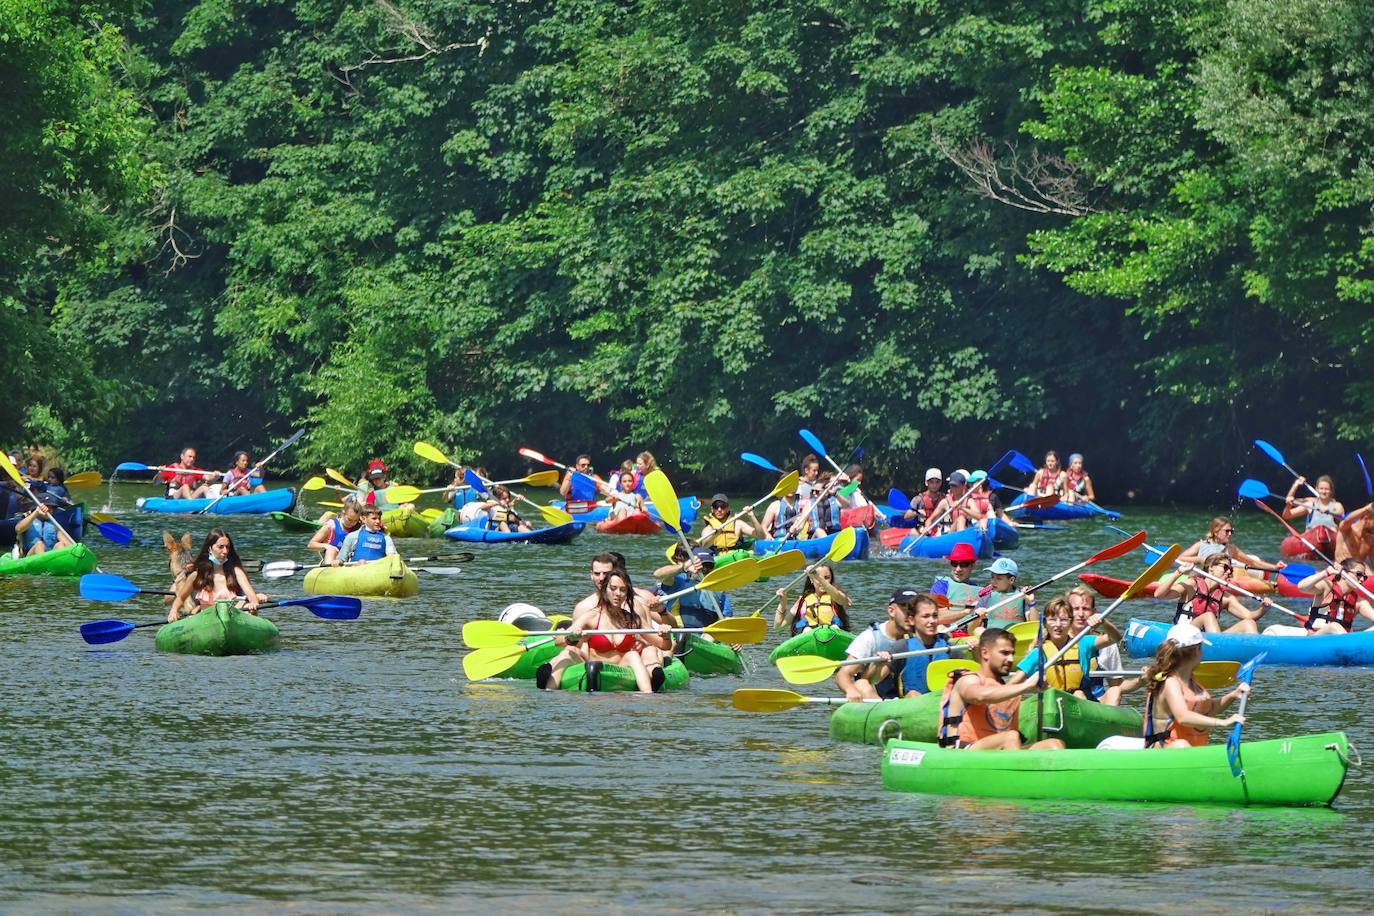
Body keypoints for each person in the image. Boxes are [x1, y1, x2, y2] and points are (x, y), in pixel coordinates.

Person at [538, 569, 673, 692]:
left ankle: (647, 696)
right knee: (566, 654)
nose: (617, 594)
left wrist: (665, 634)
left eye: (623, 590)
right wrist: (572, 638)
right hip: (593, 666)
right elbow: (560, 642)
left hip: (621, 667)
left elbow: (663, 645)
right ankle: (549, 694)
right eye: (613, 588)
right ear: (605, 589)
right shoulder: (591, 616)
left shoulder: (633, 619)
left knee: (633, 656)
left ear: (627, 593)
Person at [936, 628, 1065, 750]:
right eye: (1004, 653)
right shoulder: (968, 680)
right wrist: (1026, 686)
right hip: (963, 751)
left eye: (1012, 654)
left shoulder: (1005, 689)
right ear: (985, 653)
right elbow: (979, 696)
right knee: (1010, 737)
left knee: (1054, 744)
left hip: (997, 753)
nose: (1011, 659)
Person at [1142, 622, 1248, 748]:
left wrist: (1233, 695)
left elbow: (1209, 709)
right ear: (1196, 651)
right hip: (1165, 750)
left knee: (1185, 746)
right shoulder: (1170, 682)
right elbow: (1183, 717)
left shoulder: (1191, 679)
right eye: (1201, 648)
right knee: (1182, 745)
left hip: (1192, 751)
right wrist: (1222, 722)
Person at [1014, 596, 1121, 702]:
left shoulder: (1084, 643)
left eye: (1064, 620)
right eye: (1052, 620)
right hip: (1052, 702)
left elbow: (1115, 638)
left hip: (1083, 702)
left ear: (1070, 623)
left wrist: (1104, 622)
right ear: (1045, 624)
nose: (1058, 625)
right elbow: (1013, 684)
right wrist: (1028, 687)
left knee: (1106, 691)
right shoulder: (1038, 653)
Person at [1153, 553, 1272, 633]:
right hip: (1184, 636)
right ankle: (1219, 649)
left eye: (1230, 570)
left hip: (1208, 639)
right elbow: (1159, 594)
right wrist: (1179, 571)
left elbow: (1249, 616)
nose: (1228, 572)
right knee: (1208, 616)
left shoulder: (1225, 597)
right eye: (1225, 567)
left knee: (1248, 623)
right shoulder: (1191, 585)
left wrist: (1264, 608)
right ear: (1210, 567)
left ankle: (1255, 655)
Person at [837, 589, 920, 700]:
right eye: (905, 609)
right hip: (875, 697)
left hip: (907, 696)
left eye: (914, 611)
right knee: (861, 685)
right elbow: (843, 675)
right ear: (891, 611)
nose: (911, 615)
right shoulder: (870, 638)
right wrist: (850, 690)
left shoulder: (921, 636)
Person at [167, 528, 266, 621]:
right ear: (210, 548)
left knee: (247, 607)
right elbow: (180, 598)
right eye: (220, 547)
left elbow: (252, 598)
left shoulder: (236, 572)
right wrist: (174, 611)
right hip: (207, 620)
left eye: (227, 547)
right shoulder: (197, 575)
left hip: (232, 619)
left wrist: (253, 604)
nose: (225, 551)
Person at [1067, 586, 1126, 704]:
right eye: (1075, 609)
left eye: (1085, 609)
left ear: (1094, 612)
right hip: (1065, 698)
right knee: (1078, 694)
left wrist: (1140, 681)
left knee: (1115, 691)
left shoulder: (1106, 644)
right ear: (1067, 612)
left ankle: (1108, 720)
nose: (1080, 614)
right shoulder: (1057, 640)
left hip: (1095, 704)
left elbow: (1117, 684)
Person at [654, 545, 732, 627]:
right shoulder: (680, 581)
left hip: (707, 635)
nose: (704, 569)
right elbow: (658, 575)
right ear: (692, 565)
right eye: (701, 565)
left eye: (708, 566)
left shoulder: (719, 589)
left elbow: (727, 617)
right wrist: (683, 567)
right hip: (680, 632)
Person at [1177, 516, 1284, 574]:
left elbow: (1252, 562)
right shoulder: (1200, 545)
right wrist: (1200, 560)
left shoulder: (1230, 549)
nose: (1229, 534)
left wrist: (1274, 567)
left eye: (1231, 531)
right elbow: (1181, 558)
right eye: (1226, 531)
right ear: (1215, 531)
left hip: (1221, 579)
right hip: (1200, 578)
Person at [1295, 559, 1374, 634]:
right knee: (1334, 626)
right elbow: (1301, 587)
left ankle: (1351, 643)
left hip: (1343, 639)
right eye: (1359, 574)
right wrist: (1326, 572)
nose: (1362, 579)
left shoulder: (1359, 601)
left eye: (1365, 577)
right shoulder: (1327, 587)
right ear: (1344, 574)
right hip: (1317, 638)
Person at [575, 552, 663, 619]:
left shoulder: (641, 600)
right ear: (591, 574)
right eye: (597, 573)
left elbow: (670, 628)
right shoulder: (584, 607)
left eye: (606, 573)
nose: (601, 578)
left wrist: (662, 610)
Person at [897, 593, 955, 696]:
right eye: (926, 616)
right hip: (914, 702)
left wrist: (975, 648)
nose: (932, 621)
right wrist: (880, 662)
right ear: (911, 620)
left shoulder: (946, 644)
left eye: (935, 616)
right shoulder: (902, 646)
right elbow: (874, 680)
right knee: (913, 694)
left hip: (941, 699)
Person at [774, 564, 850, 633]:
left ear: (831, 579)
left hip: (832, 635)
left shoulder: (838, 596)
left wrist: (818, 577)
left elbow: (839, 598)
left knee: (834, 627)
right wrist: (783, 602)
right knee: (807, 629)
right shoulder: (803, 600)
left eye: (827, 577)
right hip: (808, 636)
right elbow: (778, 627)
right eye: (817, 577)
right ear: (811, 580)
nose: (822, 581)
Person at [1283, 475, 1344, 556]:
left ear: (1331, 491)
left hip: (1330, 541)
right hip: (1310, 540)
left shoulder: (1337, 505)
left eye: (1326, 489)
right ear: (1317, 490)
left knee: (1333, 528)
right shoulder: (1310, 504)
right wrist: (1296, 485)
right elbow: (1287, 515)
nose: (1324, 491)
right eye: (1321, 489)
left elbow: (1342, 517)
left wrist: (1330, 512)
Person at [931, 542, 985, 626]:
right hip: (947, 631)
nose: (958, 569)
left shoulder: (979, 590)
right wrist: (967, 612)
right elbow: (939, 617)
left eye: (964, 564)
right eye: (954, 564)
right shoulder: (941, 586)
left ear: (973, 565)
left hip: (971, 632)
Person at [973, 557, 1037, 628]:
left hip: (1015, 636)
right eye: (992, 577)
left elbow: (1034, 627)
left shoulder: (1023, 597)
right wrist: (977, 618)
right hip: (991, 636)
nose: (993, 581)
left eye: (999, 578)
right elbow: (971, 631)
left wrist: (1031, 603)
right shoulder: (986, 599)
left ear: (1011, 580)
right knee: (978, 631)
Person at [696, 493, 766, 551]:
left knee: (751, 552)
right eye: (716, 506)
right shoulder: (709, 529)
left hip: (736, 557)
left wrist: (752, 516)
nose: (719, 509)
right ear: (712, 509)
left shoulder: (738, 524)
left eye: (722, 506)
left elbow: (761, 536)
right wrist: (716, 534)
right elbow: (704, 546)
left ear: (727, 508)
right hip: (718, 559)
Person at [309, 497, 361, 564]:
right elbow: (311, 545)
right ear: (343, 513)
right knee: (332, 550)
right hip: (332, 560)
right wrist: (327, 546)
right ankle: (328, 569)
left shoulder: (360, 528)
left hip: (350, 562)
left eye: (356, 521)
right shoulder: (330, 526)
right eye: (350, 519)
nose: (352, 523)